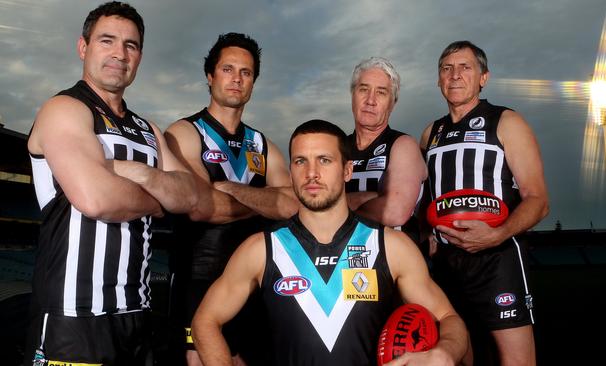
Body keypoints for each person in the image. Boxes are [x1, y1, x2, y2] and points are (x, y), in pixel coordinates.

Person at [192, 119, 468, 366]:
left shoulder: (390, 246)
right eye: (301, 161)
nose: (312, 173)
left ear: (347, 170)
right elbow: (205, 321)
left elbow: (449, 319)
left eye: (324, 160)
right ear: (291, 172)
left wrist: (445, 352)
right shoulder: (262, 249)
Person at [25, 2, 198, 365]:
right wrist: (160, 199)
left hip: (137, 315)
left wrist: (137, 172)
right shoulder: (65, 109)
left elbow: (190, 195)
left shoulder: (147, 129)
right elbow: (96, 198)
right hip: (73, 317)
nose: (120, 53)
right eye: (107, 41)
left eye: (130, 45)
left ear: (139, 56)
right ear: (83, 47)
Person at [163, 32, 299, 365]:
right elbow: (202, 207)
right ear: (210, 76)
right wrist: (265, 202)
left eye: (246, 72)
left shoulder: (262, 143)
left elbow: (293, 204)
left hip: (255, 282)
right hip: (199, 279)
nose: (237, 79)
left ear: (253, 82)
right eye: (228, 69)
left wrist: (233, 191)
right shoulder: (183, 133)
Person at [420, 40, 549, 365]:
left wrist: (498, 234)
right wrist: (428, 236)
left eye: (465, 67)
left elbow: (538, 200)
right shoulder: (429, 133)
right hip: (447, 263)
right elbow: (425, 199)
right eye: (446, 68)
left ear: (483, 77)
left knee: (517, 359)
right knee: (459, 352)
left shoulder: (506, 121)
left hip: (497, 259)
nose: (455, 75)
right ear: (438, 79)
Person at [346, 57, 427, 246]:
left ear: (393, 103)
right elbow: (308, 202)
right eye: (363, 89)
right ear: (353, 95)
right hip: (345, 259)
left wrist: (334, 209)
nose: (370, 100)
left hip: (394, 260)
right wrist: (371, 197)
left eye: (381, 93)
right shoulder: (337, 146)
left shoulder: (403, 144)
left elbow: (395, 211)